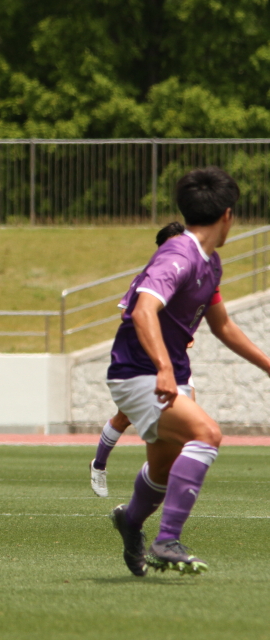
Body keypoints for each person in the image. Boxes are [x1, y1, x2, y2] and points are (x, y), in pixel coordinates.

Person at [108, 167, 270, 575]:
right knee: (207, 434)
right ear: (228, 215)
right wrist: (163, 368)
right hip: (138, 372)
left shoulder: (209, 263)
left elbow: (223, 326)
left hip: (167, 375)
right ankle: (167, 540)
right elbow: (143, 310)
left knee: (163, 470)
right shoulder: (179, 255)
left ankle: (130, 521)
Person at [89, 222, 198, 498]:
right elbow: (128, 314)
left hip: (176, 361)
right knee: (124, 417)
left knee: (189, 419)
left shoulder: (188, 275)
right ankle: (99, 465)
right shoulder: (148, 277)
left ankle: (161, 474)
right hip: (143, 362)